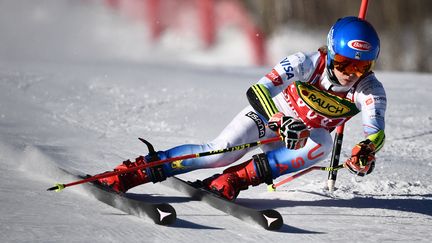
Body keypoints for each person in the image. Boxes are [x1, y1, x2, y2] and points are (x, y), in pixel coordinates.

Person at [96, 16, 386, 200]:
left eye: (362, 66)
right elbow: (258, 90)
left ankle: (231, 180)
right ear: (331, 53)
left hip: (296, 142)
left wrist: (366, 150)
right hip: (268, 119)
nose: (352, 72)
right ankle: (134, 172)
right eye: (345, 62)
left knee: (322, 143)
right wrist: (279, 119)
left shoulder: (369, 89)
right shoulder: (305, 62)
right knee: (218, 153)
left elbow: (375, 130)